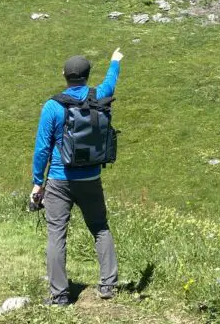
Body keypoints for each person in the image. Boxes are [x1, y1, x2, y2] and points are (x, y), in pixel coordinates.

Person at [31, 48, 124, 306]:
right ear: (87, 76)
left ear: (64, 76)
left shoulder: (52, 106)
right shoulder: (98, 96)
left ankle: (59, 295)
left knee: (56, 234)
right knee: (100, 228)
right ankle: (108, 286)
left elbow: (42, 149)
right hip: (91, 178)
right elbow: (110, 83)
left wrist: (38, 183)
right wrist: (115, 61)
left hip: (59, 181)